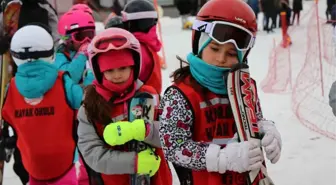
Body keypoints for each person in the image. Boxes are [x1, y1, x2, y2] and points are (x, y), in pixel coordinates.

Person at [158, 0, 282, 185]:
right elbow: (174, 147)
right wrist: (223, 158)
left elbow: (254, 119)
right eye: (214, 48)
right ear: (199, 44)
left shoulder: (245, 87)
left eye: (232, 54)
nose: (221, 58)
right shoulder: (180, 95)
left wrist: (266, 129)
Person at [77, 27, 172, 185]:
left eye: (123, 67)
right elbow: (92, 154)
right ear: (99, 71)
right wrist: (133, 162)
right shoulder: (90, 107)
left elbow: (173, 135)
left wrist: (146, 130)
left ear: (133, 66)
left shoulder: (149, 96)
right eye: (109, 70)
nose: (117, 75)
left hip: (156, 179)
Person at [1, 24, 83, 185]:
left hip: (32, 165)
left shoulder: (11, 88)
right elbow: (84, 104)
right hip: (64, 164)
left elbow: (8, 116)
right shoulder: (63, 82)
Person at [121, 0, 163, 94]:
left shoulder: (136, 50)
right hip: (151, 100)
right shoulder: (148, 45)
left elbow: (125, 82)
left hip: (137, 103)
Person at [55, 7, 95, 87]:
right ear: (68, 39)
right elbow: (70, 79)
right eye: (80, 37)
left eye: (89, 35)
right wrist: (81, 55)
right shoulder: (61, 56)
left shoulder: (94, 52)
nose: (86, 41)